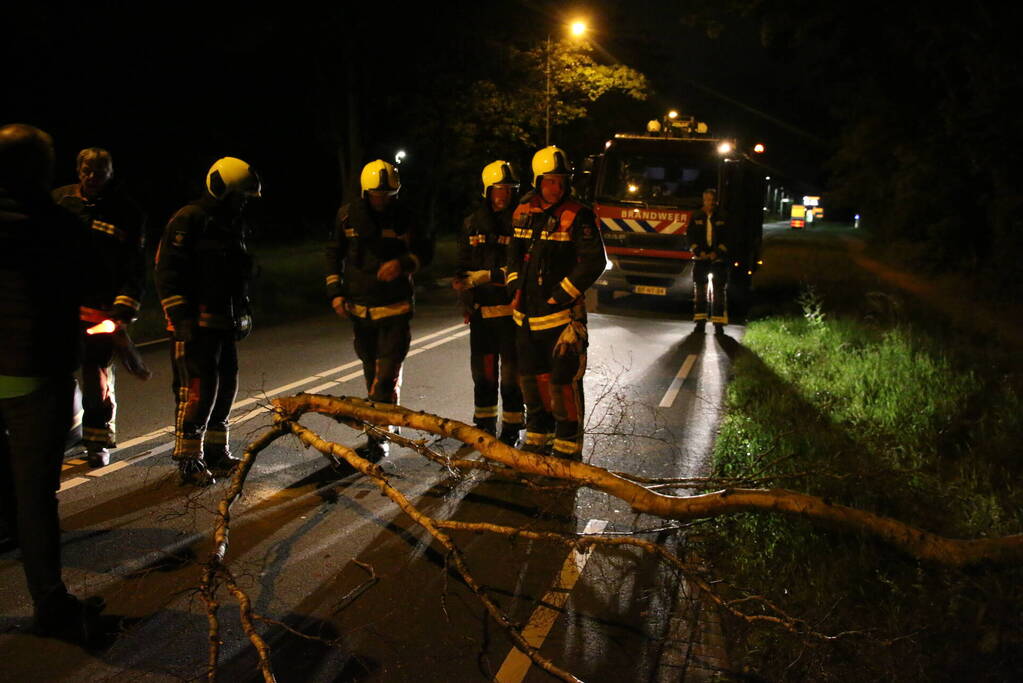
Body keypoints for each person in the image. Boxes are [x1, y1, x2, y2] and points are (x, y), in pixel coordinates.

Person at [0, 123, 104, 643]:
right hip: (36, 374)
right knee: (36, 493)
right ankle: (50, 603)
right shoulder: (59, 225)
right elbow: (89, 286)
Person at [155, 157, 260, 485]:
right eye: (240, 195)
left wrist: (241, 311)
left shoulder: (231, 223)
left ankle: (215, 451)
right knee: (196, 391)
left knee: (226, 386)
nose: (243, 202)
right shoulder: (189, 219)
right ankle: (189, 459)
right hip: (194, 325)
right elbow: (167, 272)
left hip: (223, 323)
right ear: (222, 190)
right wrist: (179, 317)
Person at [325, 159, 432, 460]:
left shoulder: (406, 217)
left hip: (395, 309)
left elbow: (425, 250)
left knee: (385, 377)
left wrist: (403, 263)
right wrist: (335, 293)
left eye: (387, 195)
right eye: (376, 195)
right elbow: (333, 253)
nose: (382, 200)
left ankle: (379, 435)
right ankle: (385, 424)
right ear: (365, 193)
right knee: (371, 371)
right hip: (361, 310)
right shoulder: (347, 217)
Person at [506, 146, 606, 459]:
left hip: (562, 318)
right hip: (526, 317)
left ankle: (567, 447)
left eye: (562, 181)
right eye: (550, 180)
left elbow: (594, 261)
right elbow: (513, 254)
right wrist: (514, 286)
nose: (557, 187)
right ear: (538, 181)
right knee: (530, 379)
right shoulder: (523, 211)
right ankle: (538, 435)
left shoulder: (578, 215)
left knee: (562, 382)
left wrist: (560, 294)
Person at [53, 148, 146, 467]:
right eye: (87, 171)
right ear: (78, 171)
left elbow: (135, 268)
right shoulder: (59, 201)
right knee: (55, 373)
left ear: (111, 173)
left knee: (97, 377)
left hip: (101, 310)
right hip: (59, 308)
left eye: (100, 172)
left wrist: (122, 310)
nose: (93, 177)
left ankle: (97, 440)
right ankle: (66, 433)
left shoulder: (127, 212)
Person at [453, 160, 524, 445]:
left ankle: (512, 427)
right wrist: (465, 299)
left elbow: (522, 268)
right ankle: (483, 424)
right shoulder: (472, 223)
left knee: (511, 376)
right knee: (483, 374)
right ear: (487, 190)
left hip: (511, 313)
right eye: (498, 189)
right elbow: (462, 266)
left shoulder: (521, 222)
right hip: (481, 312)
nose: (503, 194)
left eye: (508, 189)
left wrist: (488, 276)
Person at [687, 188, 729, 334]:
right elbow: (690, 236)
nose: (708, 203)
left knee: (718, 292)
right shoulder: (696, 216)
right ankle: (700, 323)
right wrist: (699, 252)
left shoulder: (722, 216)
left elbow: (728, 238)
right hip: (701, 259)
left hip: (718, 260)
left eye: (711, 200)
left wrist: (717, 253)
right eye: (706, 200)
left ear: (715, 201)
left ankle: (718, 324)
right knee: (699, 292)